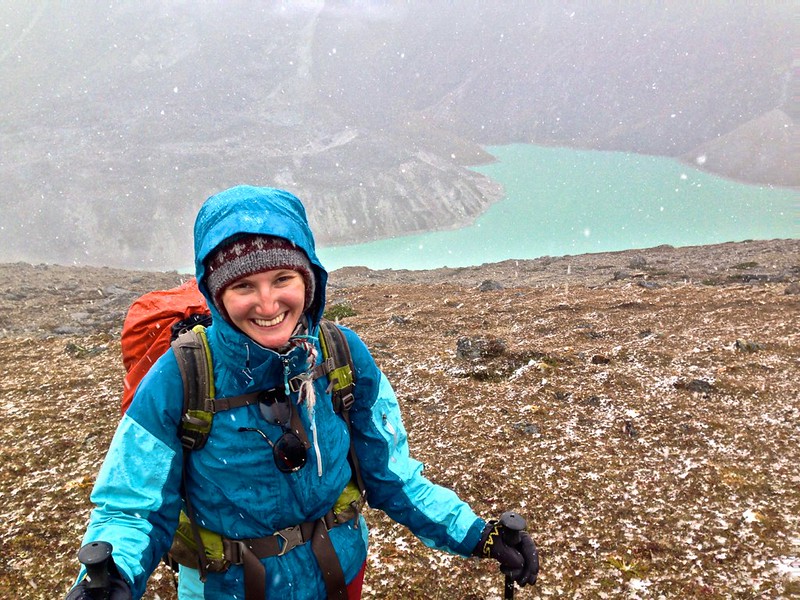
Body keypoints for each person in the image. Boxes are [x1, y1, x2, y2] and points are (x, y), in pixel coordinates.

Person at [66, 185, 538, 599]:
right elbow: (131, 507)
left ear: (308, 280)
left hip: (339, 575)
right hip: (227, 591)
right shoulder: (181, 376)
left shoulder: (341, 354)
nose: (268, 303)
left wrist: (478, 534)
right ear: (215, 295)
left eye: (282, 279)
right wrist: (113, 578)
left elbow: (394, 476)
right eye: (244, 285)